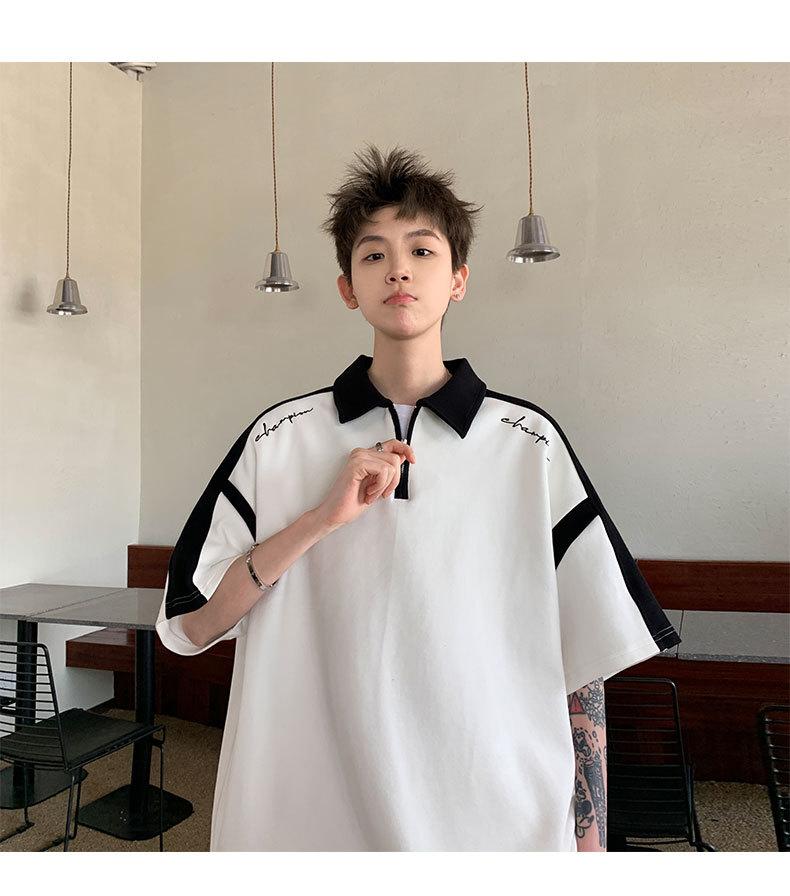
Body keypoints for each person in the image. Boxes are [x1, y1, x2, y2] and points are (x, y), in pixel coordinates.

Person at [155, 144, 681, 851]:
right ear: (348, 287)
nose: (398, 269)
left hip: (491, 816)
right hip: (307, 813)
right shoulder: (278, 437)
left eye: (422, 251)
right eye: (373, 254)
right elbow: (190, 625)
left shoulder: (528, 443)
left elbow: (582, 659)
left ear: (458, 279)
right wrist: (317, 521)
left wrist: (590, 843)